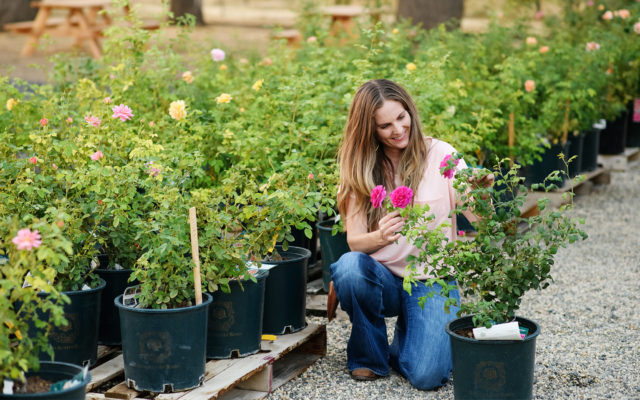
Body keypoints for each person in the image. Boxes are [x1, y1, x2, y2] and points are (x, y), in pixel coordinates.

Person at [330, 79, 490, 389]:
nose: (398, 129)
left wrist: (481, 195)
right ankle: (368, 358)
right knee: (349, 268)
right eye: (385, 125)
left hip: (433, 279)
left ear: (410, 111)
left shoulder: (442, 155)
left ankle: (404, 341)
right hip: (384, 278)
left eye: (402, 117)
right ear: (370, 130)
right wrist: (380, 236)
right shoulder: (362, 167)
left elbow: (482, 221)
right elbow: (355, 241)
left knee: (428, 376)